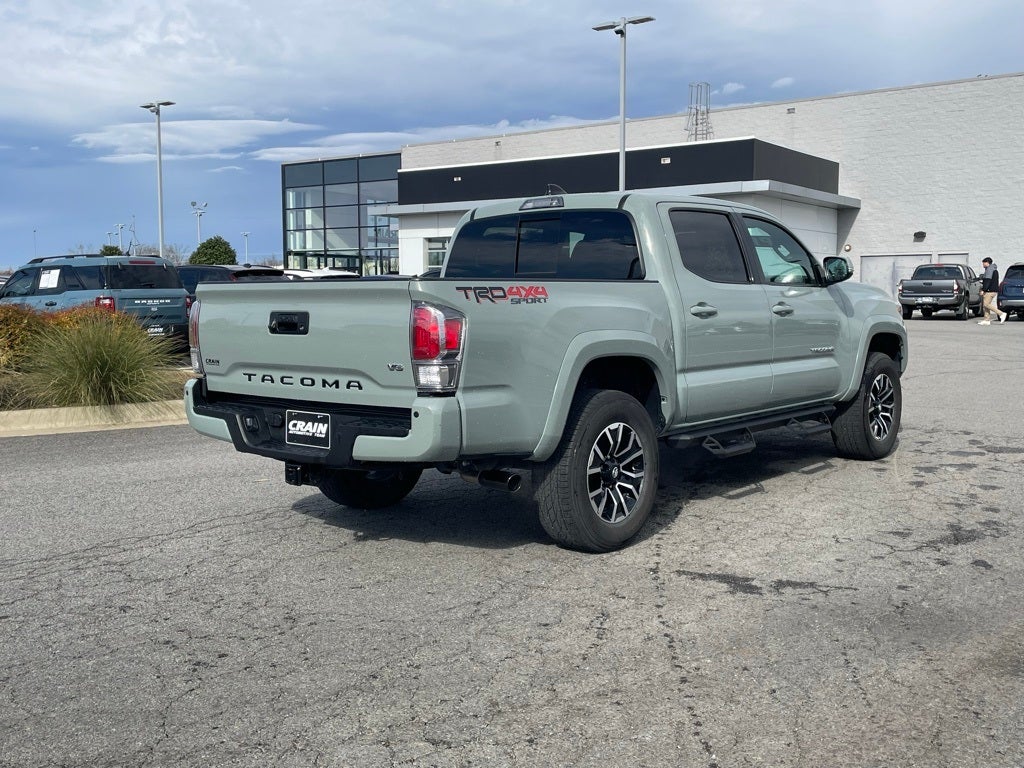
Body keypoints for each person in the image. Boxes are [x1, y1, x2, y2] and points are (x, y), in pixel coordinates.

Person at [978, 257, 1007, 325]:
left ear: (987, 263)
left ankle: (1001, 313)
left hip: (990, 290)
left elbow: (988, 281)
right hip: (992, 290)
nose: (983, 264)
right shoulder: (993, 269)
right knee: (986, 305)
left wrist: (983, 290)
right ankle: (986, 320)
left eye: (983, 263)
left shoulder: (989, 270)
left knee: (986, 304)